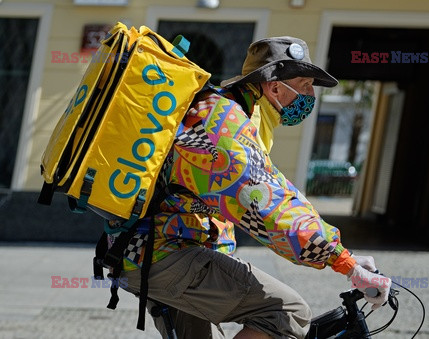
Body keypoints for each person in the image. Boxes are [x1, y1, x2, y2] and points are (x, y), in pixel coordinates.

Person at [116, 36, 392, 338]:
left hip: (154, 249)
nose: (311, 95)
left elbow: (268, 191)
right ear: (275, 87)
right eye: (304, 85)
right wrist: (343, 261)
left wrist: (346, 255)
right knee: (287, 313)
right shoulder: (222, 124)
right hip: (166, 253)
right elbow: (267, 205)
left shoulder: (230, 113)